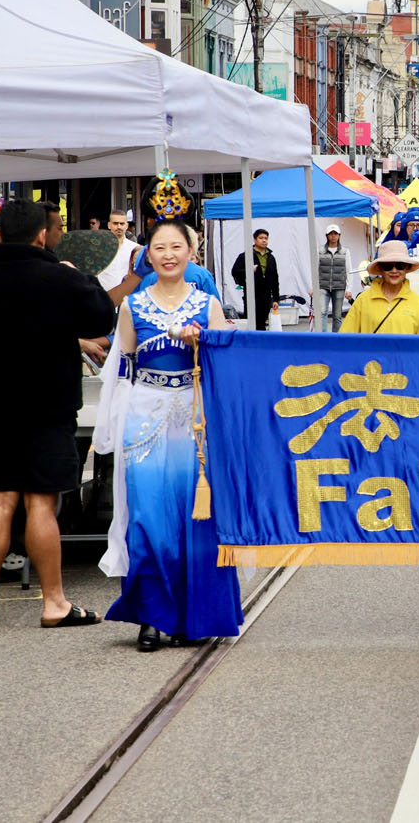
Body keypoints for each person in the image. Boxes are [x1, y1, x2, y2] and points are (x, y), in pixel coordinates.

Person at [0, 198, 115, 631]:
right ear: (42, 235)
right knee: (41, 502)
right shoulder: (62, 278)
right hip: (48, 405)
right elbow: (101, 317)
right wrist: (81, 276)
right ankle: (54, 602)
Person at [99, 221, 243, 651]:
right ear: (148, 256)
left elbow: (226, 364)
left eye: (176, 246)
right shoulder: (132, 306)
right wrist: (116, 422)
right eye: (159, 247)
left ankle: (190, 617)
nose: (168, 255)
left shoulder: (207, 303)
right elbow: (123, 368)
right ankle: (151, 616)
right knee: (147, 517)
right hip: (144, 418)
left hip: (194, 422)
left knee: (194, 519)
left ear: (190, 253)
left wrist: (206, 342)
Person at [341, 241, 419, 334]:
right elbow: (345, 338)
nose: (394, 271)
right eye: (388, 266)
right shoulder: (362, 300)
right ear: (380, 268)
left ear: (407, 267)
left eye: (400, 265)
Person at [231, 228, 281, 331]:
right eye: (261, 238)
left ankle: (261, 340)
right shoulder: (245, 256)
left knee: (262, 322)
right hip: (251, 294)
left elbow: (275, 279)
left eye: (266, 238)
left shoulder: (271, 257)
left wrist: (276, 299)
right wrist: (248, 270)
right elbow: (235, 271)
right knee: (251, 321)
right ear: (255, 240)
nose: (264, 240)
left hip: (266, 295)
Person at [316, 224, 354, 333]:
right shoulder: (320, 251)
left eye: (335, 233)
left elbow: (348, 271)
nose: (333, 236)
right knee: (322, 313)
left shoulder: (345, 251)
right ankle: (322, 337)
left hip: (339, 287)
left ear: (339, 235)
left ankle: (336, 338)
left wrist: (349, 289)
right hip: (323, 286)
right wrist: (313, 286)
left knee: (337, 315)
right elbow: (315, 269)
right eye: (330, 234)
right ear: (326, 236)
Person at [97, 209, 142, 297]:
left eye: (122, 224)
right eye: (115, 223)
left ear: (127, 225)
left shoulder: (135, 248)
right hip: (104, 297)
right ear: (109, 225)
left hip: (128, 298)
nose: (119, 227)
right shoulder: (99, 249)